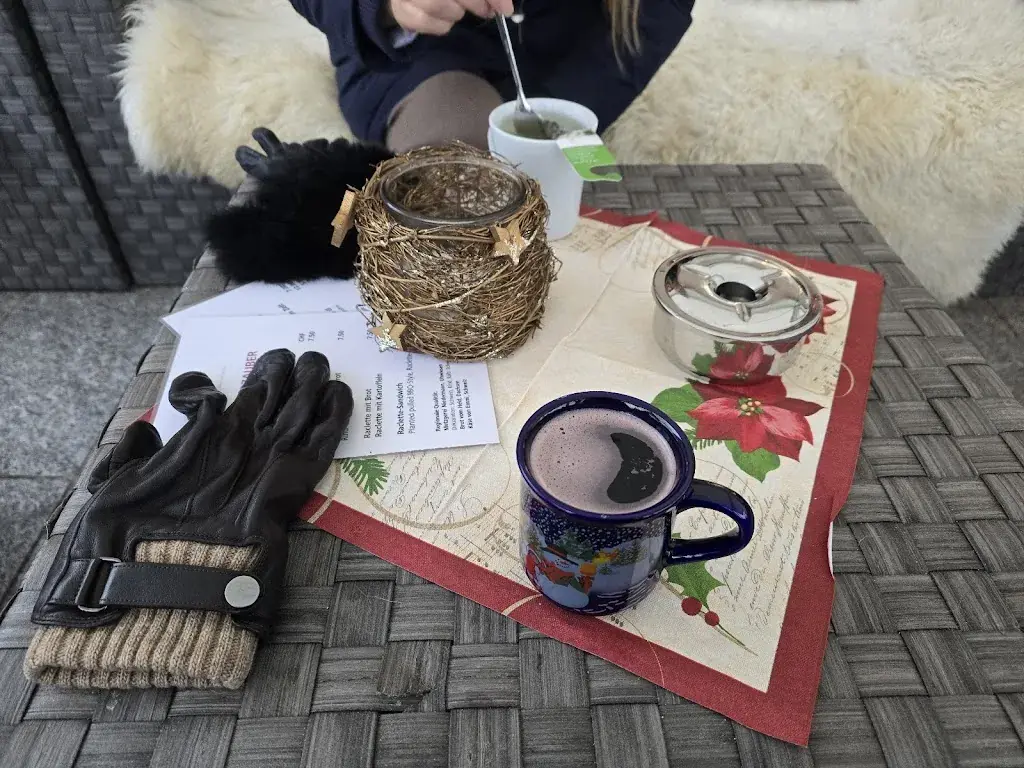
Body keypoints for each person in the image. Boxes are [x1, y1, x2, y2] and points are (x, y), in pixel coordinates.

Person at [285, 0, 695, 153]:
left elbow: (646, 24)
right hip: (418, 60)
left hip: (577, 60)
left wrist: (548, 123)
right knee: (457, 180)